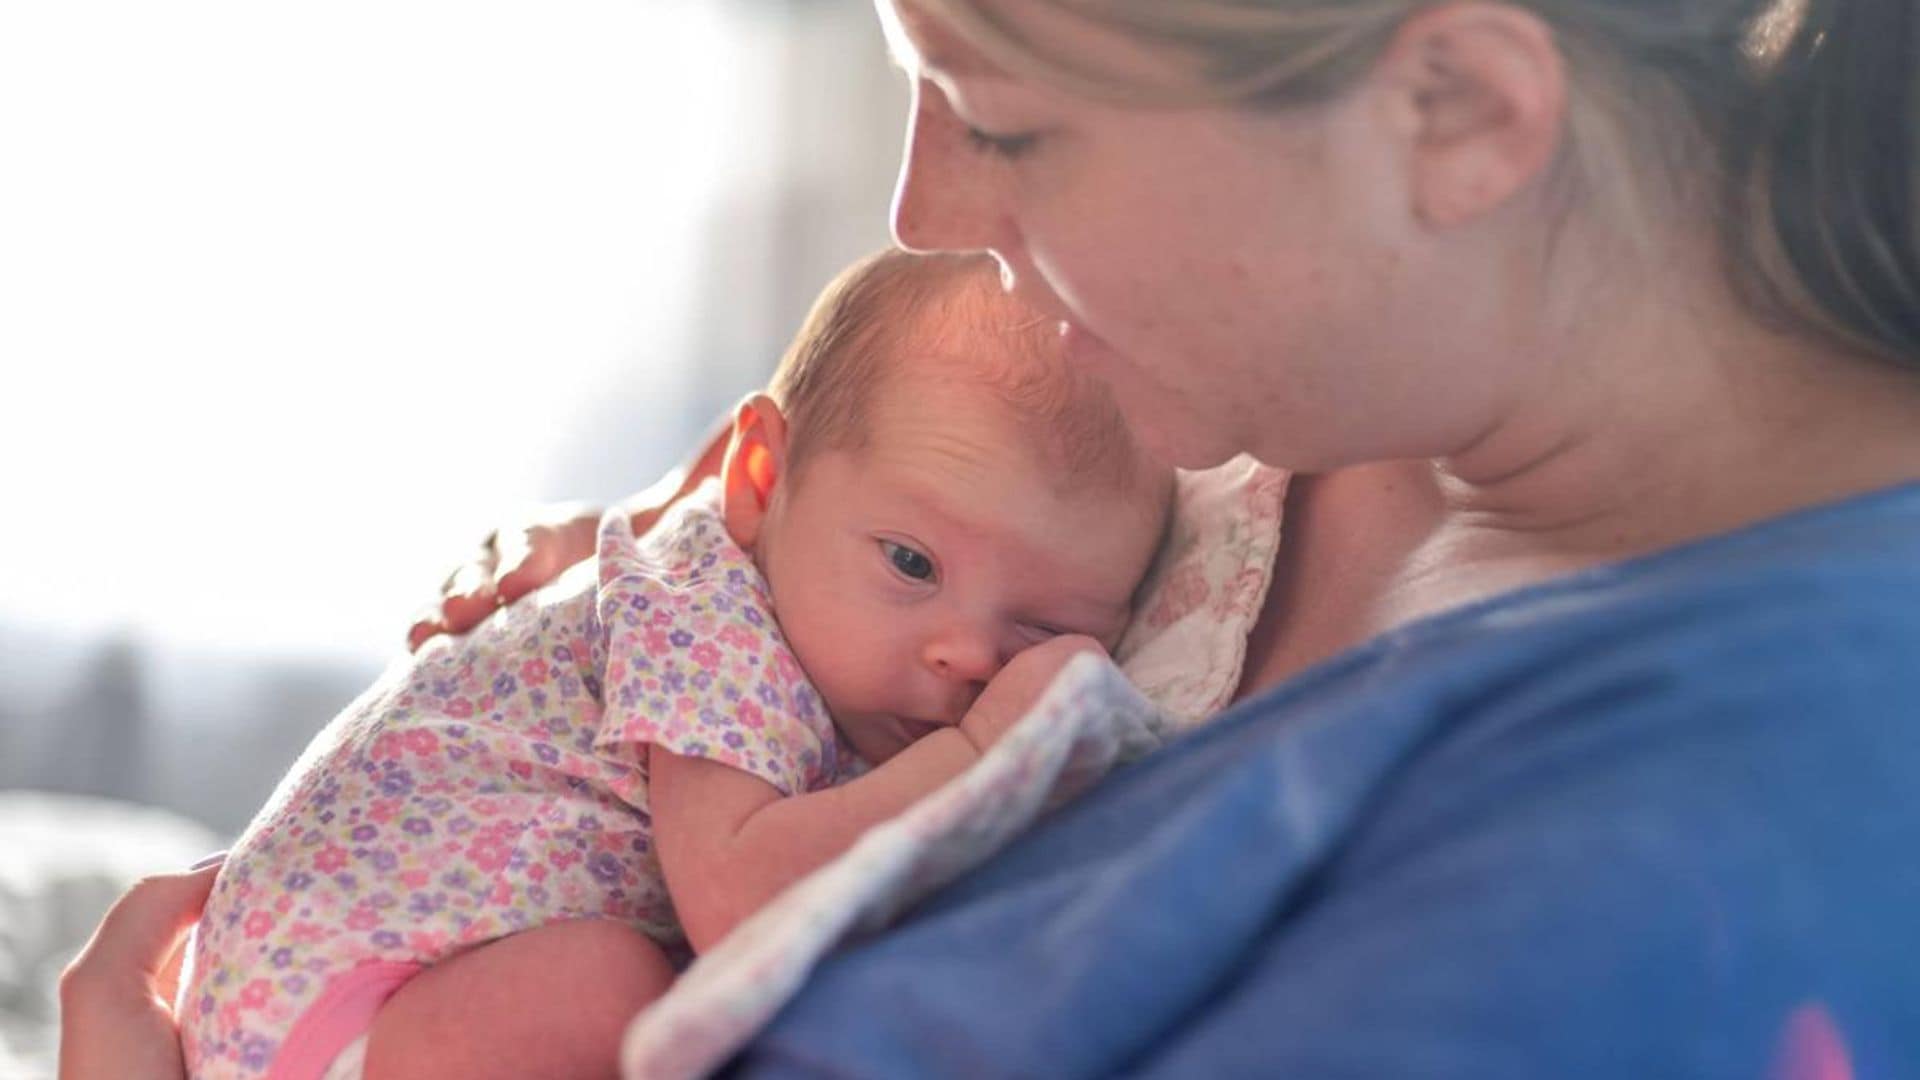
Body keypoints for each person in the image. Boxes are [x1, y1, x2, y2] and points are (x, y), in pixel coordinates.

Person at [65, 0, 1920, 1076]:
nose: (921, 207)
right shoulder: (1274, 444)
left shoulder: (1715, 808)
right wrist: (675, 572)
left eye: (1001, 118)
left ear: (1455, 111)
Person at [173, 249, 1173, 1080]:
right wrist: (990, 747)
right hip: (333, 1003)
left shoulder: (825, 628)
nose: (966, 654)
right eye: (911, 563)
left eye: (1042, 628)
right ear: (761, 480)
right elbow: (742, 903)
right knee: (600, 991)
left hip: (392, 998)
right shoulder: (708, 612)